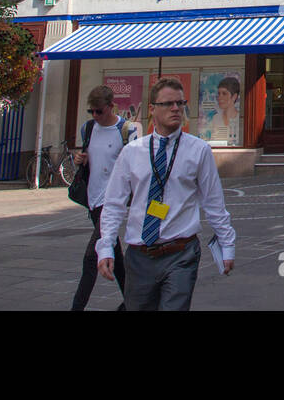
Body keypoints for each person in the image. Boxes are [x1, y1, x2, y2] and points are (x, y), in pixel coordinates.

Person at [97, 78, 236, 310]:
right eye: (168, 104)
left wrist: (227, 244)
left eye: (180, 103)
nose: (175, 109)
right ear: (152, 109)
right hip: (140, 255)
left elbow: (213, 202)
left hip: (181, 253)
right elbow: (114, 204)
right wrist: (106, 246)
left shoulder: (198, 150)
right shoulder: (132, 152)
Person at [72, 86, 135, 311]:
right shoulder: (88, 128)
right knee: (114, 254)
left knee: (92, 257)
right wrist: (81, 159)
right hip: (92, 198)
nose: (95, 116)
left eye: (99, 111)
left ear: (110, 106)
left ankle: (76, 307)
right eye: (92, 111)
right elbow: (89, 157)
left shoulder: (126, 130)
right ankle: (134, 301)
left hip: (112, 201)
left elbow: (134, 165)